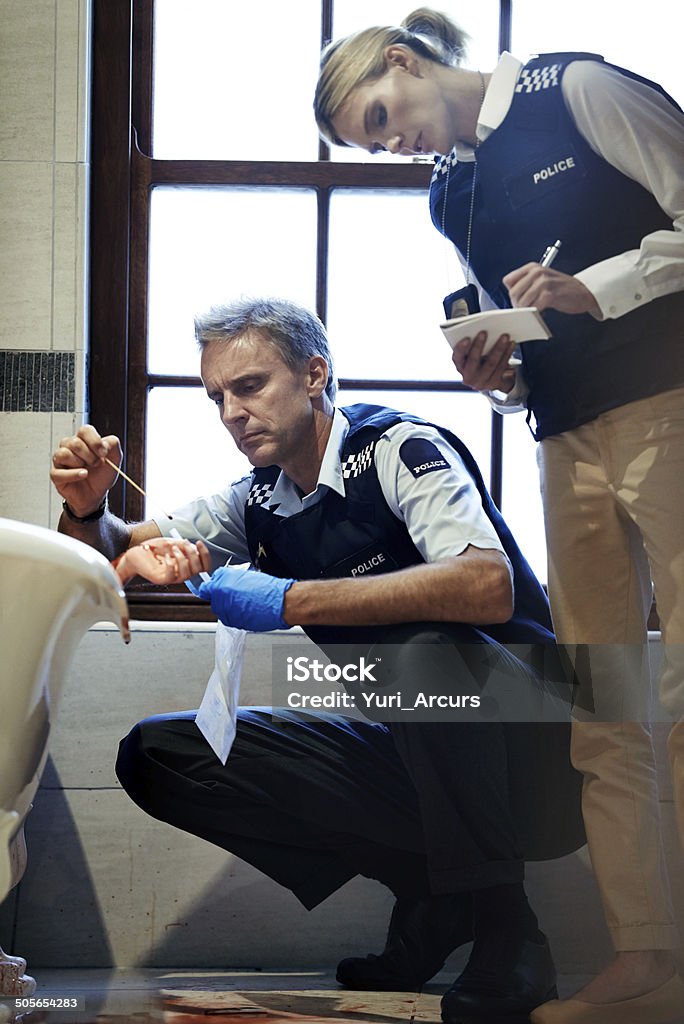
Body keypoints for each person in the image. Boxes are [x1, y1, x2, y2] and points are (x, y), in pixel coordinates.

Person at [50, 297, 584, 1023]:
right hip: (428, 758)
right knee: (161, 754)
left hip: (545, 755)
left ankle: (507, 929)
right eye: (216, 398)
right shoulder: (259, 499)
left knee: (425, 654)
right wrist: (87, 510)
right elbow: (112, 553)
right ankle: (436, 895)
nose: (231, 413)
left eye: (249, 387)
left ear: (313, 374)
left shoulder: (398, 447)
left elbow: (486, 585)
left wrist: (289, 598)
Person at [314, 9, 684, 1023]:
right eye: (371, 145)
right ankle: (647, 960)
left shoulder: (579, 91)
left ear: (407, 60)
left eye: (383, 117)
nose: (394, 147)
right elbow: (525, 334)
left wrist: (593, 288)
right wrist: (497, 377)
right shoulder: (453, 194)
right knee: (608, 712)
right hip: (564, 438)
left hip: (672, 408)